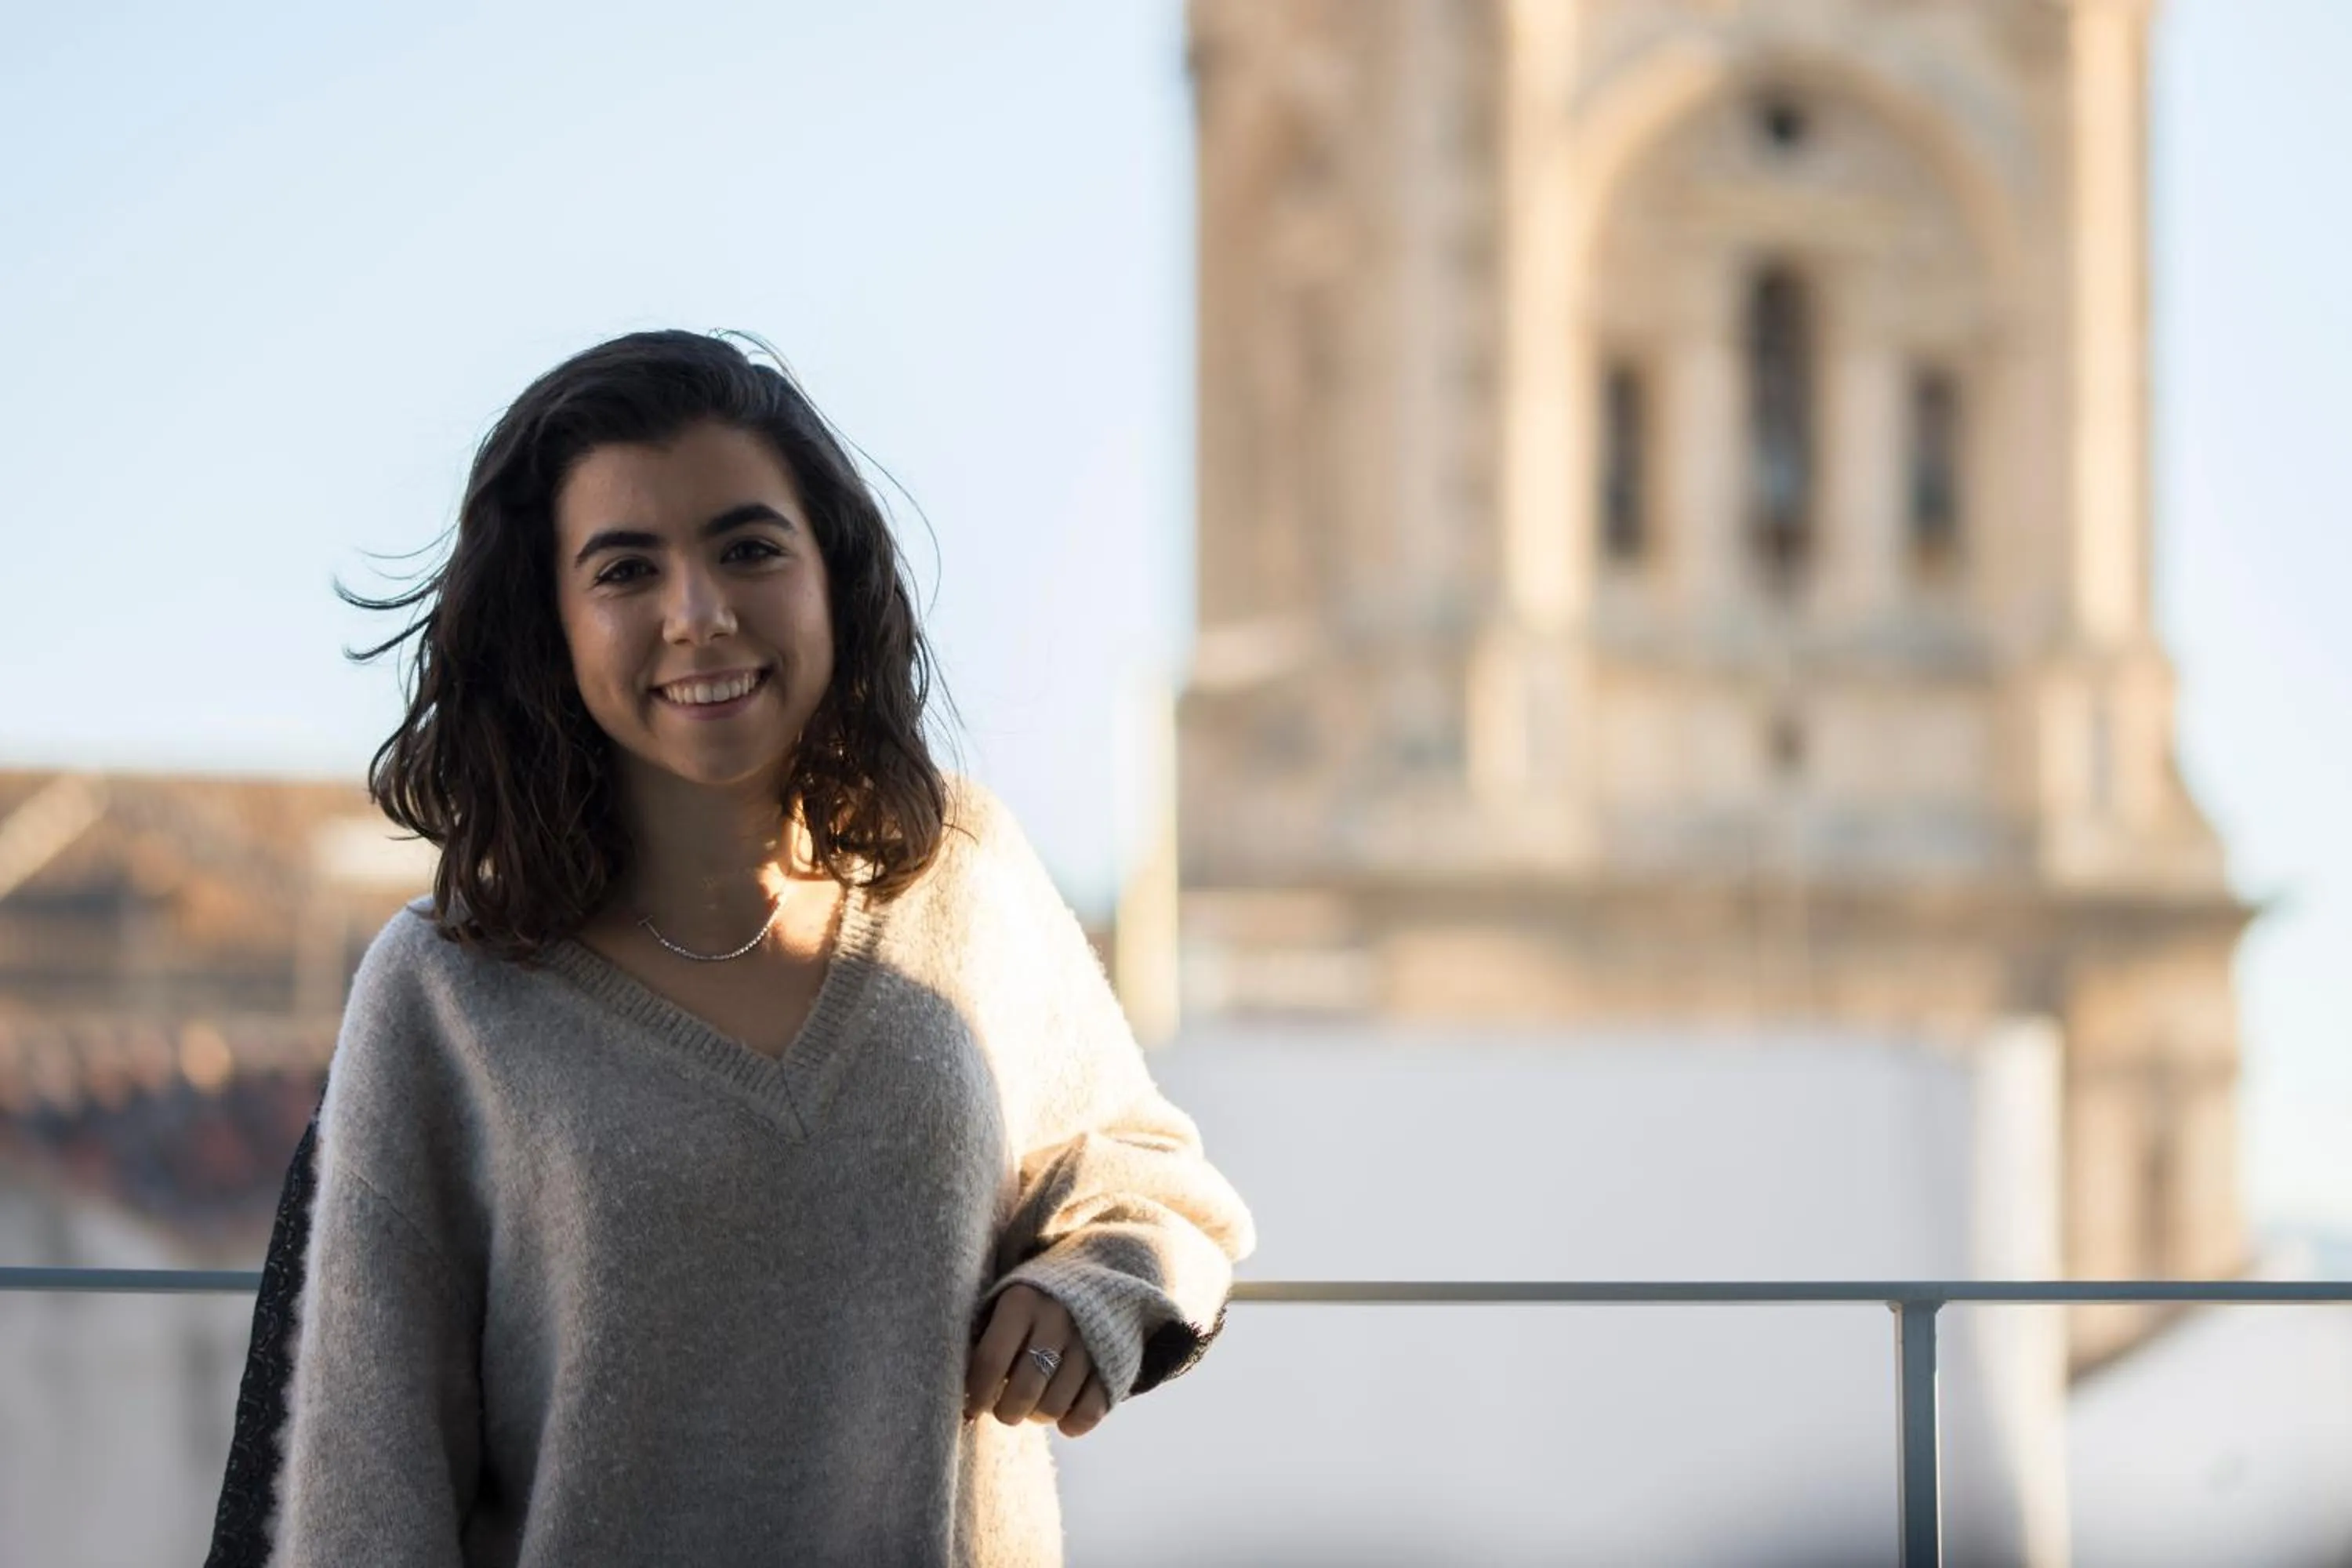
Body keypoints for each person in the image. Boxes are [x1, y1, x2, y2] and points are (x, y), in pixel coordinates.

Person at [201, 329, 1256, 1567]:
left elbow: (1148, 1176)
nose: (699, 615)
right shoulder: (445, 988)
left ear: (834, 580)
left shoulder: (960, 873)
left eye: (749, 549)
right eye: (625, 570)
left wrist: (1091, 1292)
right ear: (551, 623)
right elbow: (364, 1482)